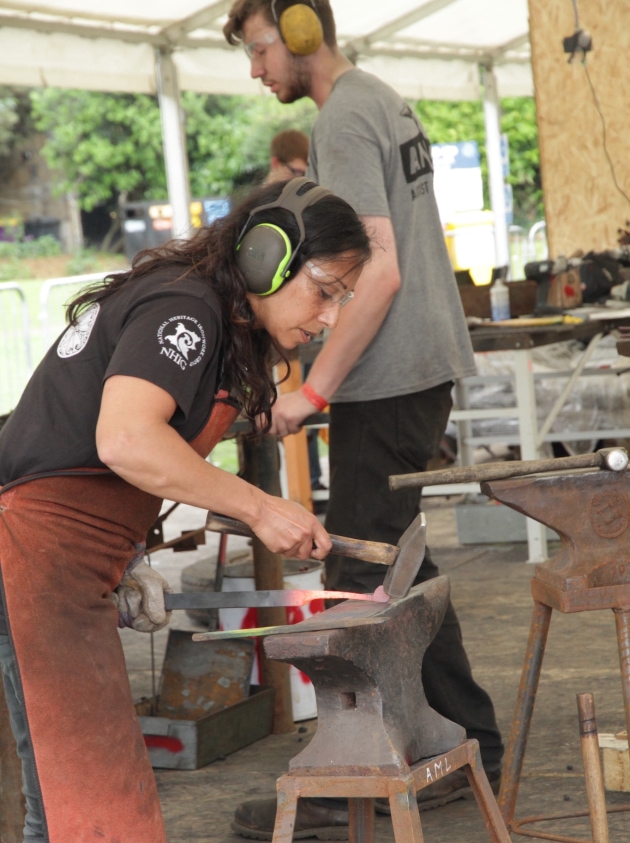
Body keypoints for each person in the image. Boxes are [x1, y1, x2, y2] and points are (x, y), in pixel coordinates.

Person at [0, 177, 370, 843]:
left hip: (64, 553)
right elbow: (125, 438)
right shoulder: (184, 308)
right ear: (267, 255)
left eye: (344, 299)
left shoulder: (218, 319)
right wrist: (259, 508)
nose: (331, 318)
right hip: (32, 544)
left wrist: (127, 552)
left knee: (69, 800)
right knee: (88, 806)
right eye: (324, 290)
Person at [223, 1, 504, 838]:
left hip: (388, 373)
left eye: (260, 48)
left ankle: (364, 770)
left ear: (302, 32)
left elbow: (374, 272)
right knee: (393, 561)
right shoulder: (380, 96)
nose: (256, 69)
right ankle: (457, 742)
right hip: (415, 366)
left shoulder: (342, 119)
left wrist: (311, 391)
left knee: (356, 568)